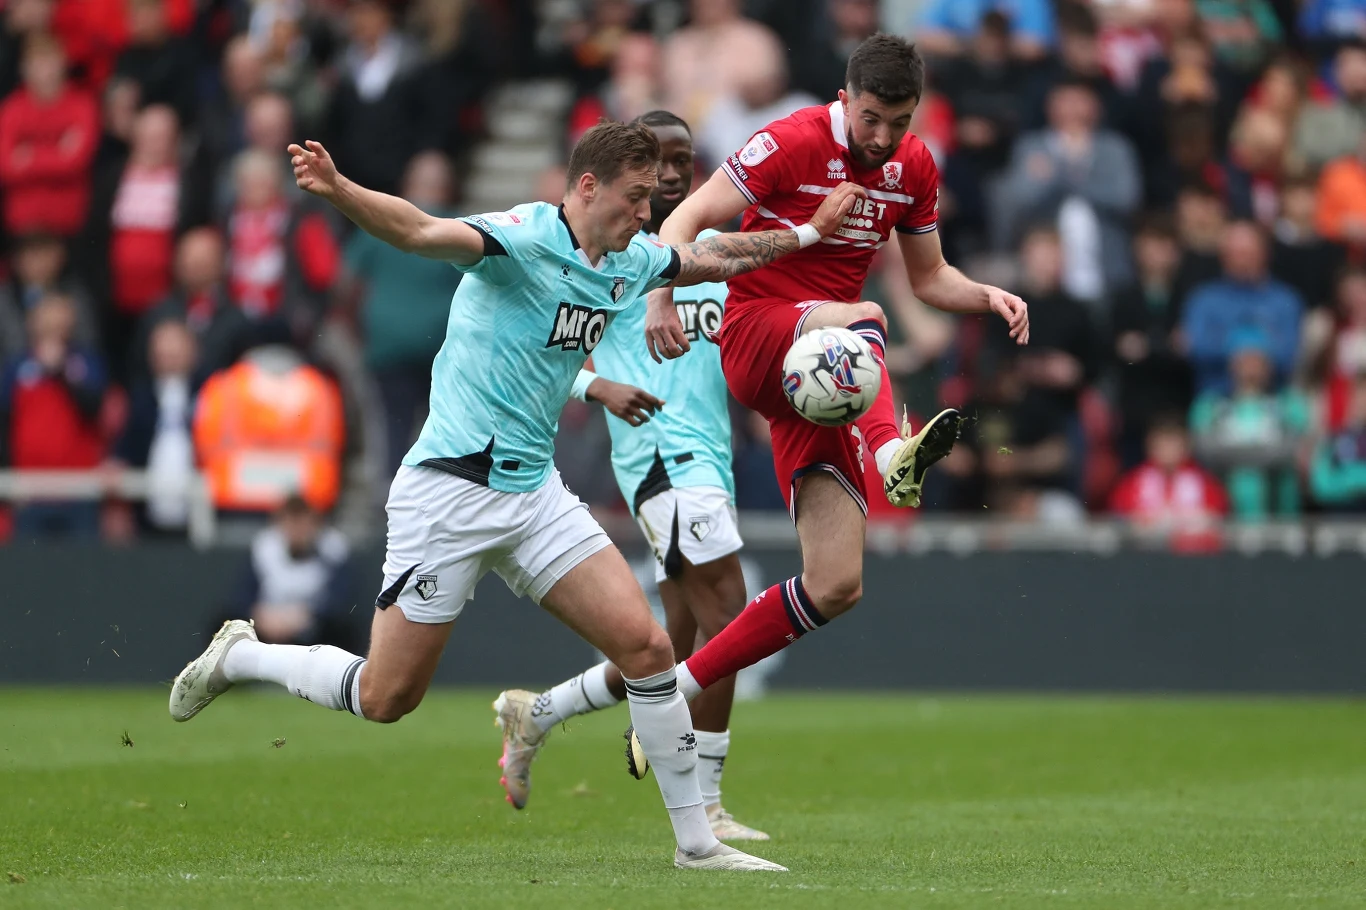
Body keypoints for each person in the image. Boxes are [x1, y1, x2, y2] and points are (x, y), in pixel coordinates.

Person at [169, 121, 865, 872]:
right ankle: (243, 656)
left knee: (649, 647)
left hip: (534, 495)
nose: (644, 211)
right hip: (449, 495)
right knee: (386, 696)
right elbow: (420, 230)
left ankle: (697, 843)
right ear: (587, 186)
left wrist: (802, 234)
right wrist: (340, 191)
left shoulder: (629, 260)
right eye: (634, 196)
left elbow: (706, 255)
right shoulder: (522, 238)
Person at [636, 34, 1028, 752]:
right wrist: (662, 294)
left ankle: (680, 693)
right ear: (845, 100)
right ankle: (890, 457)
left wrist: (986, 295)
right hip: (758, 331)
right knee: (864, 316)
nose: (883, 138)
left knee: (836, 584)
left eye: (899, 122)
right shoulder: (788, 141)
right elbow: (686, 220)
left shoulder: (913, 167)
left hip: (826, 376)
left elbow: (929, 277)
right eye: (871, 118)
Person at [494, 112, 766, 842]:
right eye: (657, 160)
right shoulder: (613, 258)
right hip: (659, 456)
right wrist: (596, 387)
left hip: (708, 456)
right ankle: (705, 799)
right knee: (732, 620)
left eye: (683, 159)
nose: (673, 173)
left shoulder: (708, 251)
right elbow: (552, 354)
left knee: (666, 649)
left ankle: (538, 714)